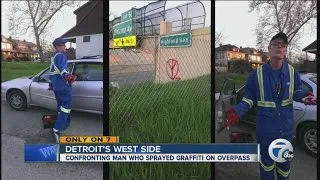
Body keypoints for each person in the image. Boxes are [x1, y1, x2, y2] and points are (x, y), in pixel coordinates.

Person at [225, 32, 317, 180]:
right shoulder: (256, 74)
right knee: (266, 166)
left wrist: (304, 96)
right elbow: (249, 99)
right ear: (269, 49)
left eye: (283, 45)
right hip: (266, 132)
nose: (280, 47)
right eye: (276, 44)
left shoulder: (292, 72)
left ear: (285, 51)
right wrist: (238, 111)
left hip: (286, 132)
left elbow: (297, 91)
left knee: (284, 167)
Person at [48, 38, 76, 143]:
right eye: (63, 45)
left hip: (56, 87)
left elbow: (52, 74)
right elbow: (64, 70)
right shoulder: (61, 56)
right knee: (66, 109)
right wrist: (69, 77)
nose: (65, 46)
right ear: (58, 47)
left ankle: (63, 122)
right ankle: (56, 129)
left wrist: (51, 85)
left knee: (60, 107)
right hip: (64, 87)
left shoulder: (53, 57)